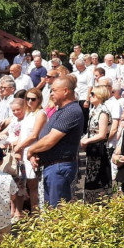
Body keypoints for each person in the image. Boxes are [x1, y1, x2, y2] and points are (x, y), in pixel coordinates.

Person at [26, 75, 84, 208]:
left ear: (65, 91)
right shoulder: (62, 110)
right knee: (51, 210)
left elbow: (50, 140)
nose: (51, 94)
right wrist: (37, 153)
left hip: (59, 168)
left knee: (57, 213)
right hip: (52, 167)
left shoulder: (71, 111)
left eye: (54, 90)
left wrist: (31, 150)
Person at [12, 89, 48, 215]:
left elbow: (34, 135)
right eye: (27, 99)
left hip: (34, 151)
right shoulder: (29, 113)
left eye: (33, 99)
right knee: (26, 184)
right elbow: (23, 133)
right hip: (24, 151)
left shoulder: (41, 114)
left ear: (39, 100)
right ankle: (32, 212)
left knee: (34, 186)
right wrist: (19, 149)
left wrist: (19, 147)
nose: (30, 101)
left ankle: (36, 214)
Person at [81, 85, 113, 200]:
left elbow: (102, 134)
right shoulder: (94, 110)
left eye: (93, 94)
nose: (90, 96)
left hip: (99, 150)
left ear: (100, 96)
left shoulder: (103, 111)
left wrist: (86, 141)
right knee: (90, 179)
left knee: (98, 180)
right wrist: (84, 139)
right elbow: (91, 131)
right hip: (92, 150)